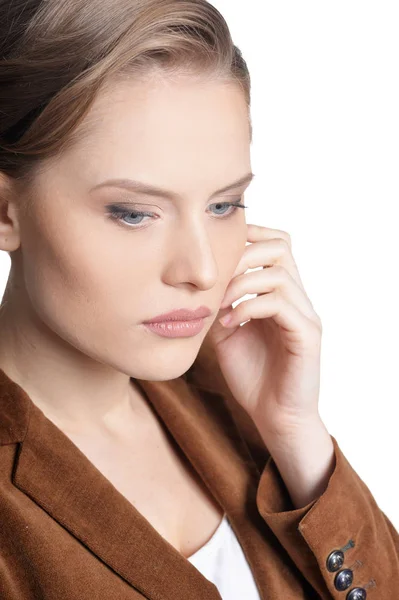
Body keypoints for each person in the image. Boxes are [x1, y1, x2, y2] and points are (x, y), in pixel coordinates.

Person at [0, 1, 398, 599]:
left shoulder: (231, 397)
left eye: (223, 205)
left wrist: (296, 437)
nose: (203, 269)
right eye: (135, 213)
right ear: (6, 212)